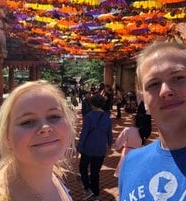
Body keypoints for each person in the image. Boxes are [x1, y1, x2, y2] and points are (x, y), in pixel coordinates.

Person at [0, 80, 76, 201]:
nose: (45, 128)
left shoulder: (57, 175)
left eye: (54, 116)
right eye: (27, 121)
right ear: (7, 137)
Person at [118, 41, 186, 200]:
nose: (165, 91)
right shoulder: (130, 163)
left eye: (178, 77)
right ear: (144, 99)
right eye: (153, 84)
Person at [77, 94, 113, 201]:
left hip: (88, 148)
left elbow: (84, 133)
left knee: (83, 168)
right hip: (100, 149)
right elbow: (109, 134)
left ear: (92, 104)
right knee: (95, 172)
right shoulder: (107, 117)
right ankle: (96, 194)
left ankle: (88, 188)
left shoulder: (88, 116)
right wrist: (110, 144)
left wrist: (79, 146)